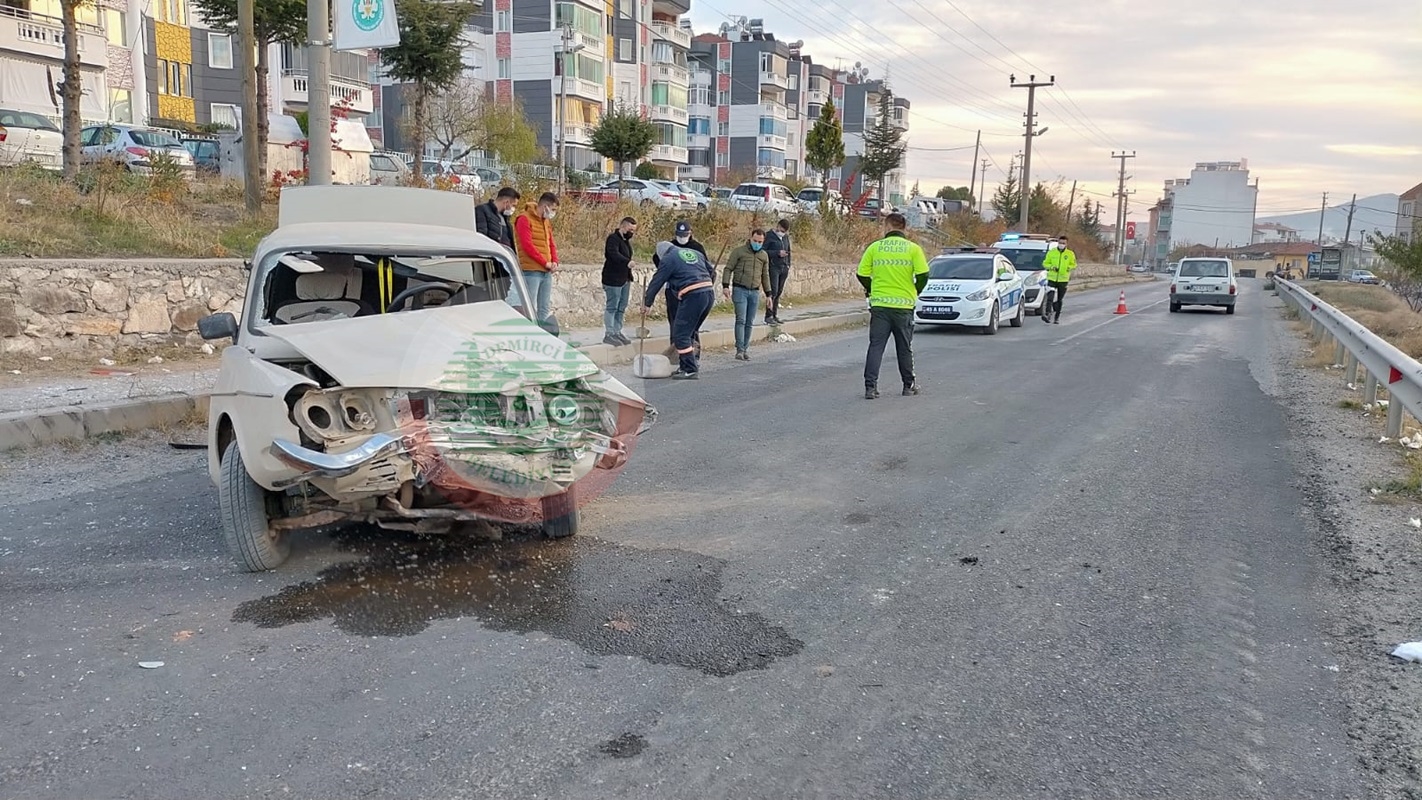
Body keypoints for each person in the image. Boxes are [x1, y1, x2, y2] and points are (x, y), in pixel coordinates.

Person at [857, 212, 929, 399]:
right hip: (903, 306)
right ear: (904, 228)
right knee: (904, 347)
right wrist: (915, 291)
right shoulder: (913, 249)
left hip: (880, 305)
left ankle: (870, 388)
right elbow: (923, 276)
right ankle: (908, 385)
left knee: (876, 347)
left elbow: (862, 274)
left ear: (887, 227)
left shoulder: (875, 248)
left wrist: (873, 289)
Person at [644, 240, 716, 380]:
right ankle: (686, 364)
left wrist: (647, 302)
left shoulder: (668, 259)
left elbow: (657, 281)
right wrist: (706, 283)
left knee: (681, 334)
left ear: (661, 254)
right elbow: (712, 272)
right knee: (689, 332)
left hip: (693, 296)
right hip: (708, 293)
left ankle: (690, 369)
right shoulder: (695, 253)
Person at [652, 220, 710, 348]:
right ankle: (675, 351)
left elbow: (707, 269)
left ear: (690, 233)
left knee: (691, 324)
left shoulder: (697, 248)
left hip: (692, 292)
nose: (682, 238)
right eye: (680, 235)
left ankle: (693, 352)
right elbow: (657, 260)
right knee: (674, 322)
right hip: (673, 290)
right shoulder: (669, 247)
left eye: (685, 235)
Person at [512, 192, 560, 328]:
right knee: (529, 307)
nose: (553, 213)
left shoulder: (545, 221)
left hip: (546, 270)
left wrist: (554, 261)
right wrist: (545, 262)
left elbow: (551, 243)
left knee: (543, 307)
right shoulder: (524, 219)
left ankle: (543, 334)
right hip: (531, 270)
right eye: (553, 209)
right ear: (545, 206)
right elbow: (527, 246)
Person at [721, 229, 771, 360]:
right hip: (740, 290)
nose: (757, 244)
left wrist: (769, 294)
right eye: (755, 241)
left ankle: (745, 349)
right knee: (741, 320)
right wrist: (725, 286)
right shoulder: (739, 252)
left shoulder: (764, 256)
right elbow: (728, 268)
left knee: (749, 322)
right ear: (750, 238)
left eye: (760, 242)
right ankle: (740, 349)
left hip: (754, 291)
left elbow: (765, 275)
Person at [601, 216, 637, 346]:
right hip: (613, 279)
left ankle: (617, 331)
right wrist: (627, 262)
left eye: (634, 230)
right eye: (630, 229)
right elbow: (613, 254)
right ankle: (609, 333)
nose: (632, 232)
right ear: (623, 226)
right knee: (612, 306)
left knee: (621, 307)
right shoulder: (613, 239)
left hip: (625, 278)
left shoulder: (626, 241)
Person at [1041, 235, 1078, 324]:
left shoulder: (1070, 254)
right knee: (1050, 297)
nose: (1061, 244)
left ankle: (1057, 317)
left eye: (1063, 243)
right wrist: (1051, 267)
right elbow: (1045, 263)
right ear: (1058, 243)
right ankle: (1047, 314)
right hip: (1052, 279)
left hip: (1063, 280)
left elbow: (1074, 264)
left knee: (1059, 300)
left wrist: (1068, 267)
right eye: (1060, 243)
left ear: (1066, 244)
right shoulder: (1052, 252)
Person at [763, 219, 792, 325]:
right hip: (773, 267)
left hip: (783, 267)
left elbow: (789, 250)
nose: (782, 233)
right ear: (778, 226)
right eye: (781, 230)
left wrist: (788, 264)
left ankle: (774, 315)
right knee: (773, 292)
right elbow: (763, 251)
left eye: (784, 231)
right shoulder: (769, 236)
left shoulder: (785, 237)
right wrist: (777, 253)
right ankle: (768, 315)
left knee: (779, 292)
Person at [474, 186, 520, 252]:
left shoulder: (505, 218)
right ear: (507, 202)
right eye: (513, 205)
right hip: (493, 255)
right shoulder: (482, 210)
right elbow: (481, 237)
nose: (513, 209)